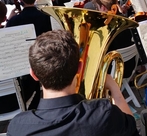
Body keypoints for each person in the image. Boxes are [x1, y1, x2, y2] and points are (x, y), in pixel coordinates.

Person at [7, 29, 139, 136]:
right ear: (79, 68)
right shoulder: (104, 113)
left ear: (33, 75)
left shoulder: (18, 127)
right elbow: (132, 128)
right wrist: (114, 88)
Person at [6, 0, 52, 111]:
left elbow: (6, 39)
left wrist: (9, 20)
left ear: (20, 1)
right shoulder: (46, 16)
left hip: (23, 61)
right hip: (44, 57)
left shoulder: (15, 20)